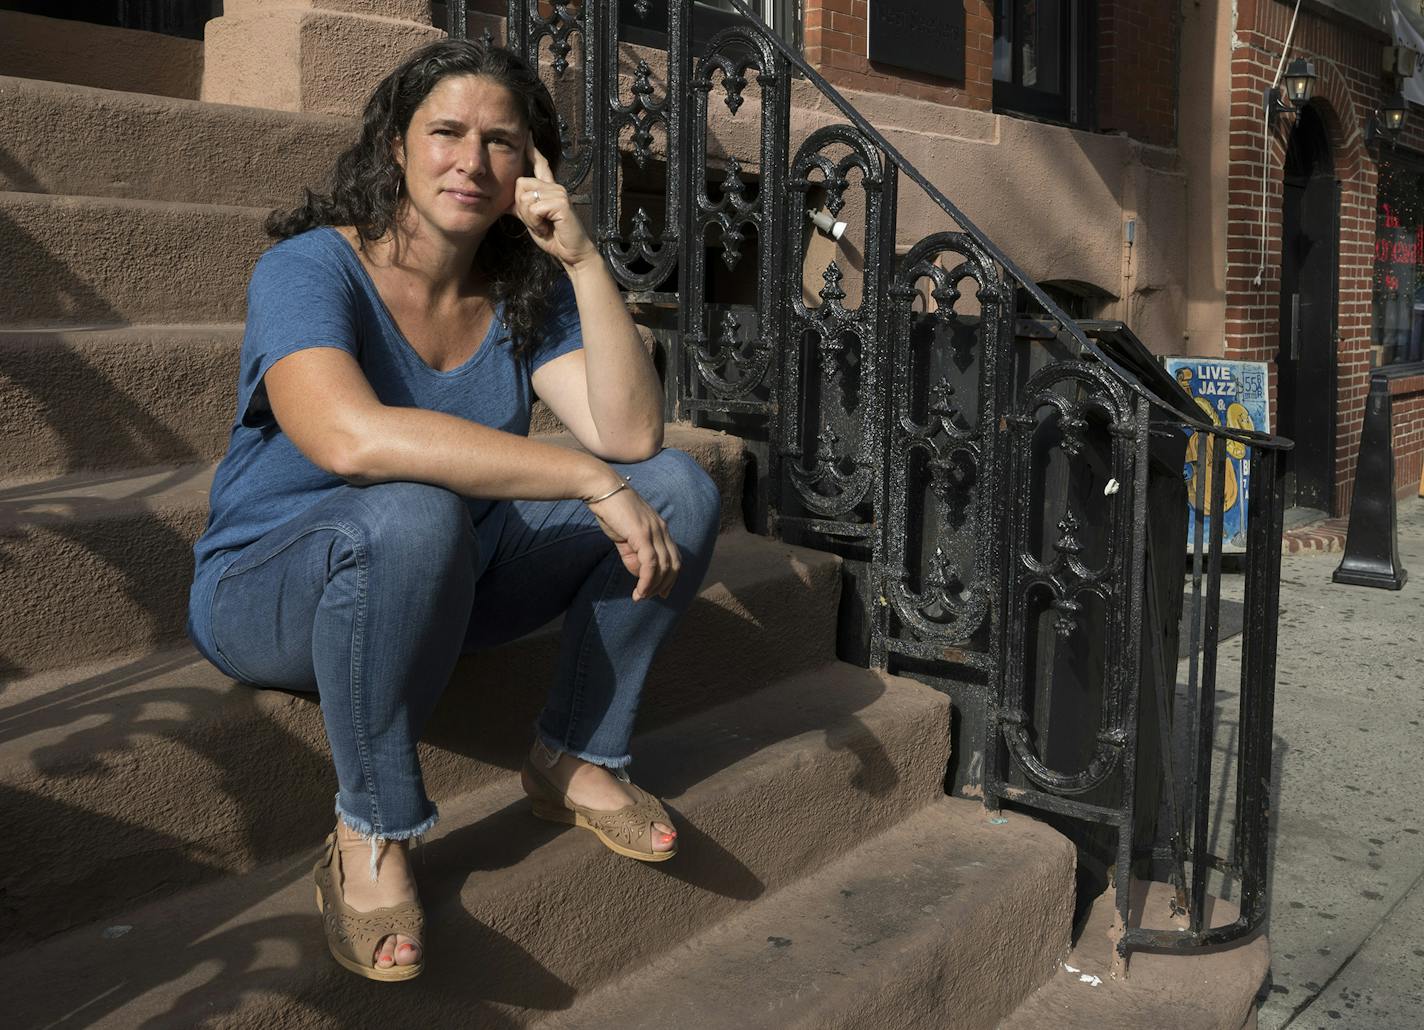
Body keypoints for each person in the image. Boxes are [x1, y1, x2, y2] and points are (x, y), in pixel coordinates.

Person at [185, 39, 721, 982]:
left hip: (448, 575)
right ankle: (373, 825)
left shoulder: (519, 289)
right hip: (273, 588)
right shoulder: (310, 270)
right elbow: (350, 438)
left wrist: (586, 260)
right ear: (396, 145)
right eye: (446, 132)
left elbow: (631, 434)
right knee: (414, 511)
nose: (472, 163)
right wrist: (586, 482)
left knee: (681, 488)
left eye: (502, 142)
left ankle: (576, 754)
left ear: (531, 166)